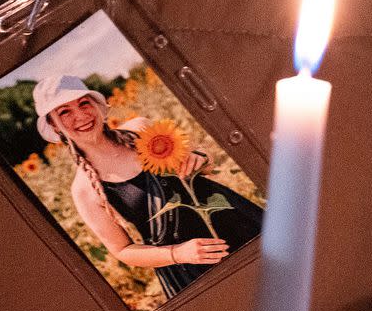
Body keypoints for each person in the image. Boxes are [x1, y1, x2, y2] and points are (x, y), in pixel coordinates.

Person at [33, 74, 263, 297]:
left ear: (96, 104)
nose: (81, 115)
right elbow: (122, 250)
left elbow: (207, 162)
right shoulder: (83, 189)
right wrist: (178, 253)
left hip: (236, 221)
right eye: (65, 112)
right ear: (53, 125)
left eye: (84, 103)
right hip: (193, 265)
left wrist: (199, 158)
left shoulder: (140, 128)